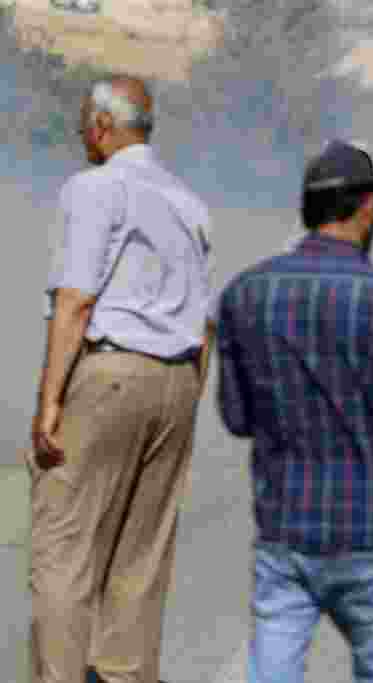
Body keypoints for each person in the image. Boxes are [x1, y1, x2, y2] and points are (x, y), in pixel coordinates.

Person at [215, 139, 373, 683]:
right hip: (372, 529)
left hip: (285, 527)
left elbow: (237, 418)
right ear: (365, 207)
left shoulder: (244, 294)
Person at [29, 76, 215, 683]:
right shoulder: (189, 204)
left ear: (103, 127)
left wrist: (49, 401)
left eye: (84, 122)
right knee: (141, 558)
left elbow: (77, 301)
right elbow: (205, 324)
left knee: (65, 553)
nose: (81, 133)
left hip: (110, 373)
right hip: (178, 382)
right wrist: (188, 401)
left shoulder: (95, 189)